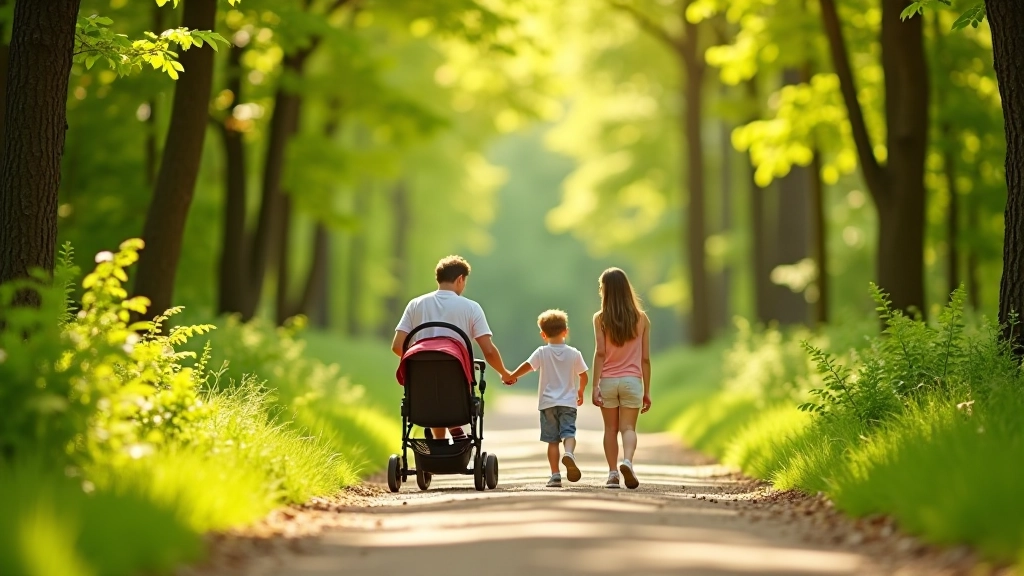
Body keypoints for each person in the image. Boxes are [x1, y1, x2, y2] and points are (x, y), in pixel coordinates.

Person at [391, 255, 513, 442]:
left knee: (432, 387)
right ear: (460, 279)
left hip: (421, 388)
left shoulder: (415, 305)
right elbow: (488, 350)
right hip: (456, 387)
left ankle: (438, 443)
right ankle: (454, 429)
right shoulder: (471, 308)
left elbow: (397, 346)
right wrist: (504, 373)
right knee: (449, 385)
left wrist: (424, 357)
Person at [504, 310, 589, 488]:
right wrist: (580, 391)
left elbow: (527, 366)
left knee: (552, 440)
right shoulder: (574, 353)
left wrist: (512, 375)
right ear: (566, 331)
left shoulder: (542, 352)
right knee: (569, 433)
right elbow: (584, 375)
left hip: (548, 403)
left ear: (543, 334)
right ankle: (569, 454)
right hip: (568, 403)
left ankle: (555, 475)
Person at [591, 267, 651, 490]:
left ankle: (613, 474)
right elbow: (645, 358)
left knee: (610, 430)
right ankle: (628, 461)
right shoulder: (641, 319)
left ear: (606, 291)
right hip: (632, 381)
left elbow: (600, 353)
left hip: (608, 381)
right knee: (628, 429)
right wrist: (647, 391)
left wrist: (595, 385)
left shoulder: (600, 319)